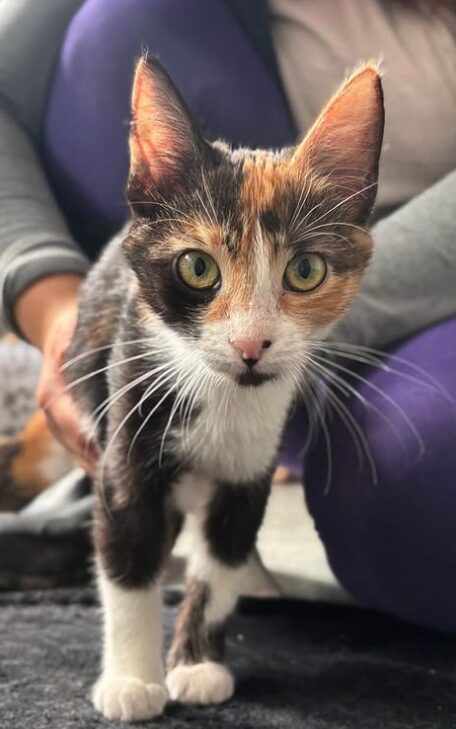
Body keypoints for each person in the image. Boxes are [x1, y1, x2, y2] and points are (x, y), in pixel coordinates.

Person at [0, 0, 455, 629]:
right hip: (199, 317)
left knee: (423, 498)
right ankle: (139, 470)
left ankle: (203, 482)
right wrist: (53, 305)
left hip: (407, 299)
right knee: (121, 21)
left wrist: (312, 313)